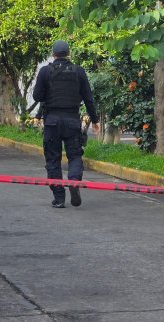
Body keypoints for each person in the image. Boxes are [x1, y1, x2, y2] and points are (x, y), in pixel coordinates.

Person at [33, 40, 100, 208]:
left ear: (53, 54)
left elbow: (37, 97)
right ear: (68, 53)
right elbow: (88, 98)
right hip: (72, 121)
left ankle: (59, 198)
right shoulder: (79, 71)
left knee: (53, 159)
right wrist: (95, 120)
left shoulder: (45, 71)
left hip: (52, 122)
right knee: (75, 155)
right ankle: (74, 181)